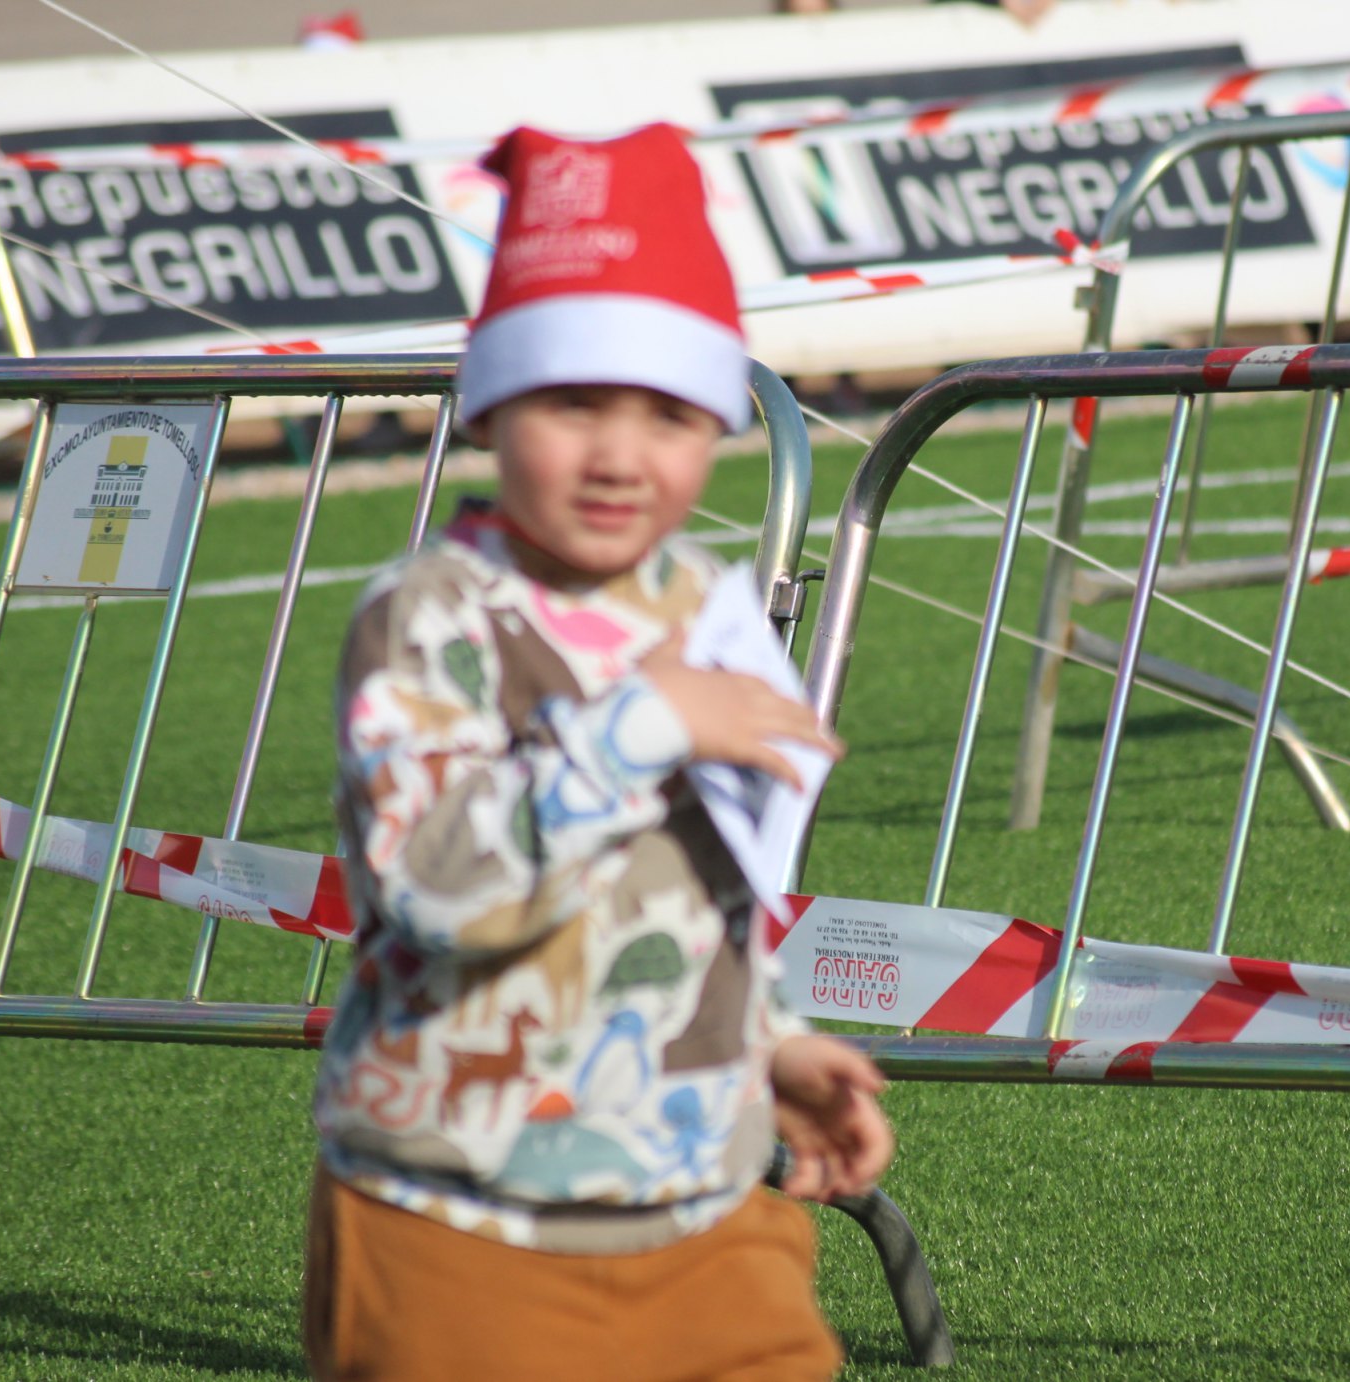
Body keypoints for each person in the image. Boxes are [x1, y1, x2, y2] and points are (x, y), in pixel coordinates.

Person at [303, 122, 894, 1381]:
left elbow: (698, 885)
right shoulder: (428, 615)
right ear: (494, 401)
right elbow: (433, 885)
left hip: (710, 1217)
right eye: (574, 401)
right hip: (458, 1224)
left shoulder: (702, 603)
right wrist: (641, 723)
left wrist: (767, 1046)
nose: (622, 454)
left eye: (673, 415)